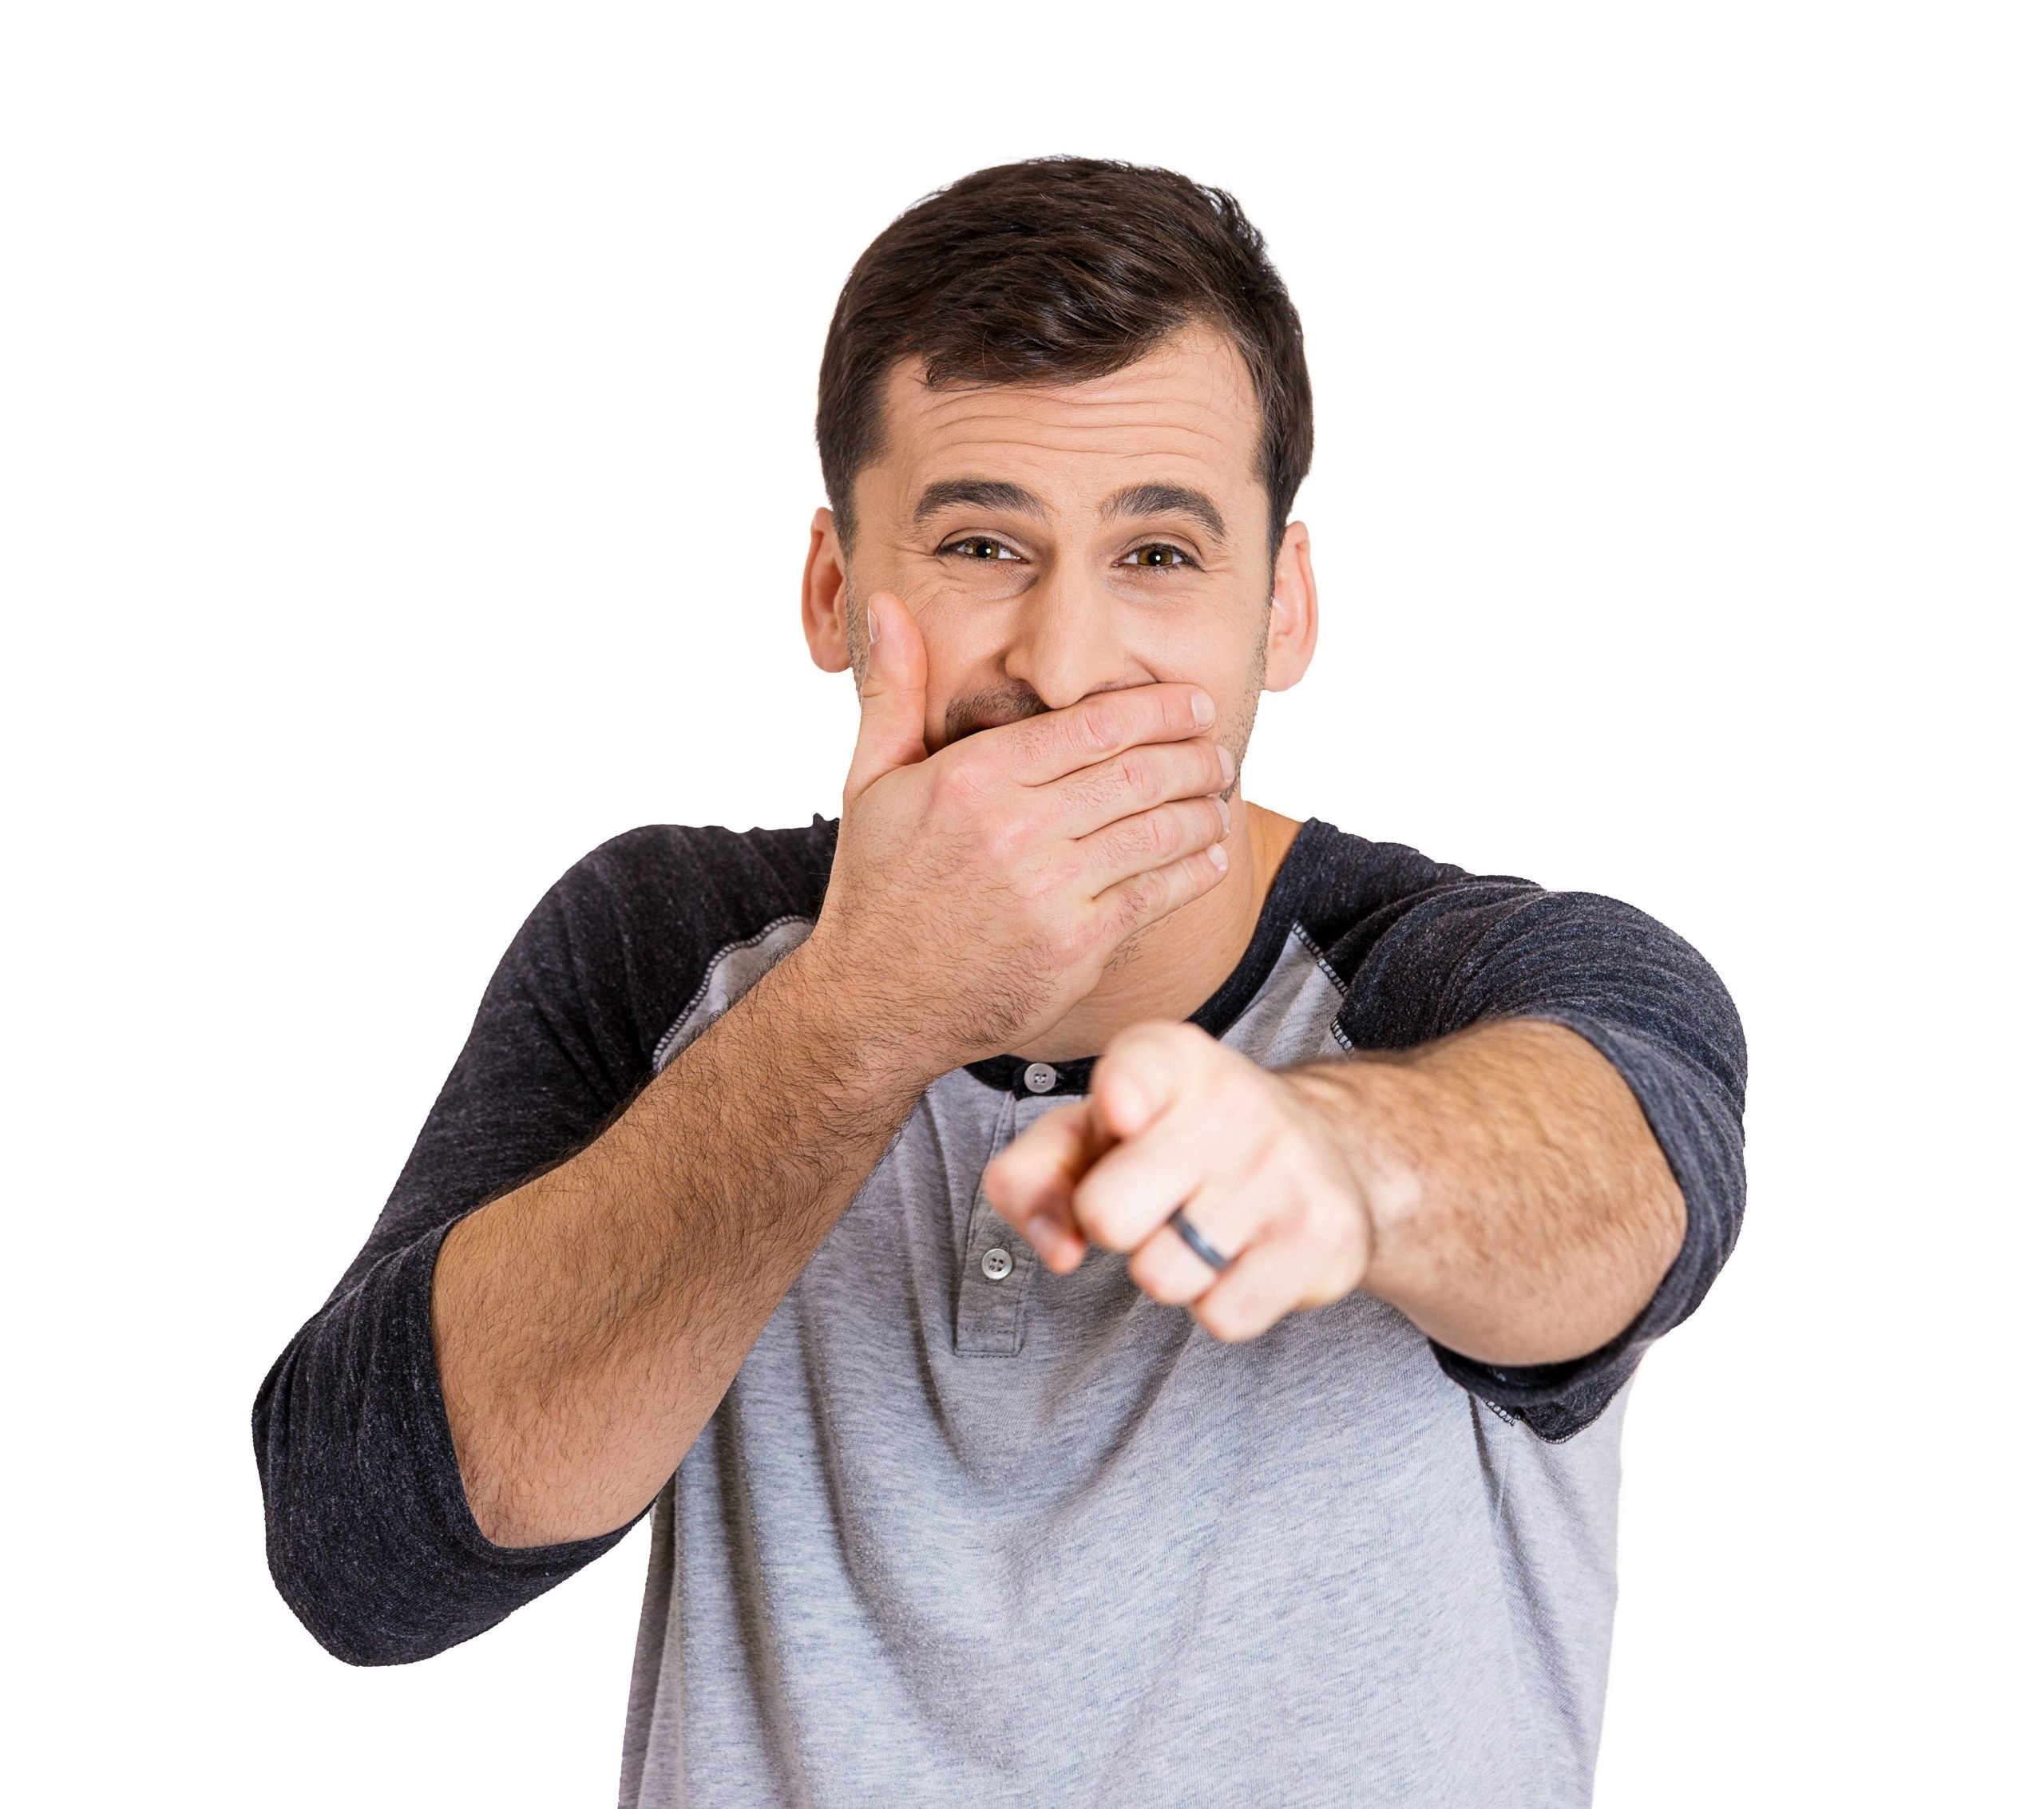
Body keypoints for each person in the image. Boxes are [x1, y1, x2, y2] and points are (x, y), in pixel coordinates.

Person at [254, 156, 1745, 1807]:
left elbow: (1632, 1178)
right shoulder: (665, 942)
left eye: (1158, 554)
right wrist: (866, 1007)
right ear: (835, 590)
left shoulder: (1464, 969)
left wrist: (1340, 1159)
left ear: (1283, 608)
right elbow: (364, 1553)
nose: (1062, 662)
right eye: (980, 543)